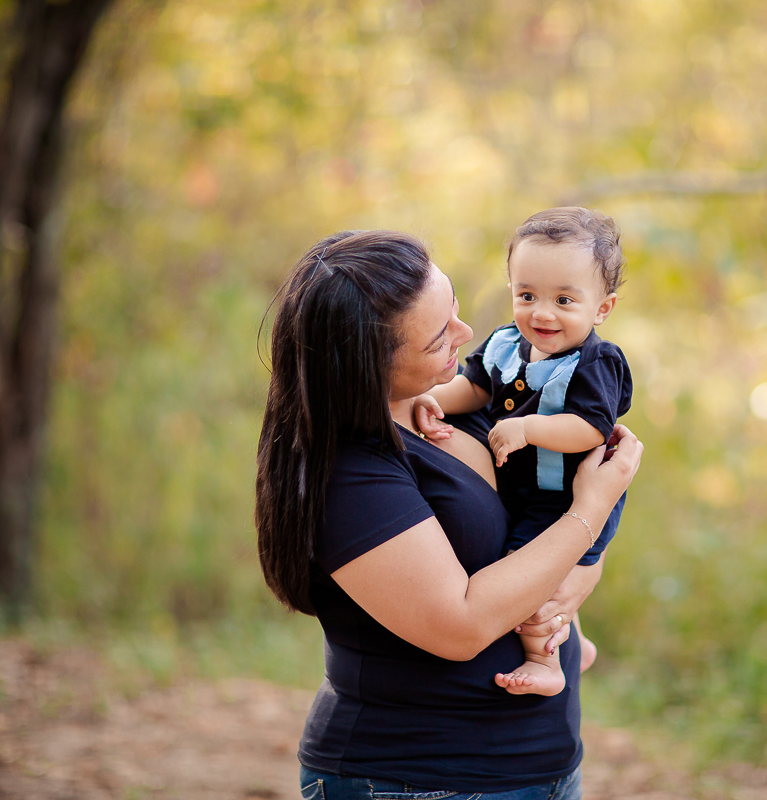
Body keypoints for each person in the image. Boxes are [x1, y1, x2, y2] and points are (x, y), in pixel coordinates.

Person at [256, 229, 642, 800]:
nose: (467, 336)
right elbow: (459, 626)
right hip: (418, 778)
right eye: (440, 337)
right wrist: (591, 510)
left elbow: (539, 514)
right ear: (369, 363)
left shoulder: (449, 406)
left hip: (541, 767)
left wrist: (585, 567)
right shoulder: (350, 469)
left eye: (455, 307)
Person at [413, 207, 632, 698]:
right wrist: (430, 400)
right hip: (524, 488)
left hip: (564, 498)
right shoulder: (505, 344)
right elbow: (473, 387)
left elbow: (591, 429)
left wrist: (529, 427)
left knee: (535, 579)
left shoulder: (596, 362)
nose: (542, 312)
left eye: (564, 299)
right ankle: (578, 641)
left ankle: (546, 661)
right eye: (527, 295)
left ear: (602, 308)